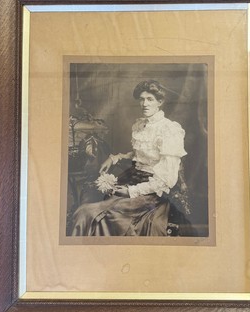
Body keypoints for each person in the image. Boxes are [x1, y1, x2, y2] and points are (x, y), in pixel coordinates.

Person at [70, 80, 187, 236]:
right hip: (132, 178)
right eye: (142, 99)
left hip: (151, 192)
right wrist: (115, 158)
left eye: (150, 99)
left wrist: (131, 191)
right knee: (87, 204)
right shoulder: (140, 125)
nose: (144, 103)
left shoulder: (169, 129)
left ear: (160, 102)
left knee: (90, 213)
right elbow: (140, 155)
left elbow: (167, 180)